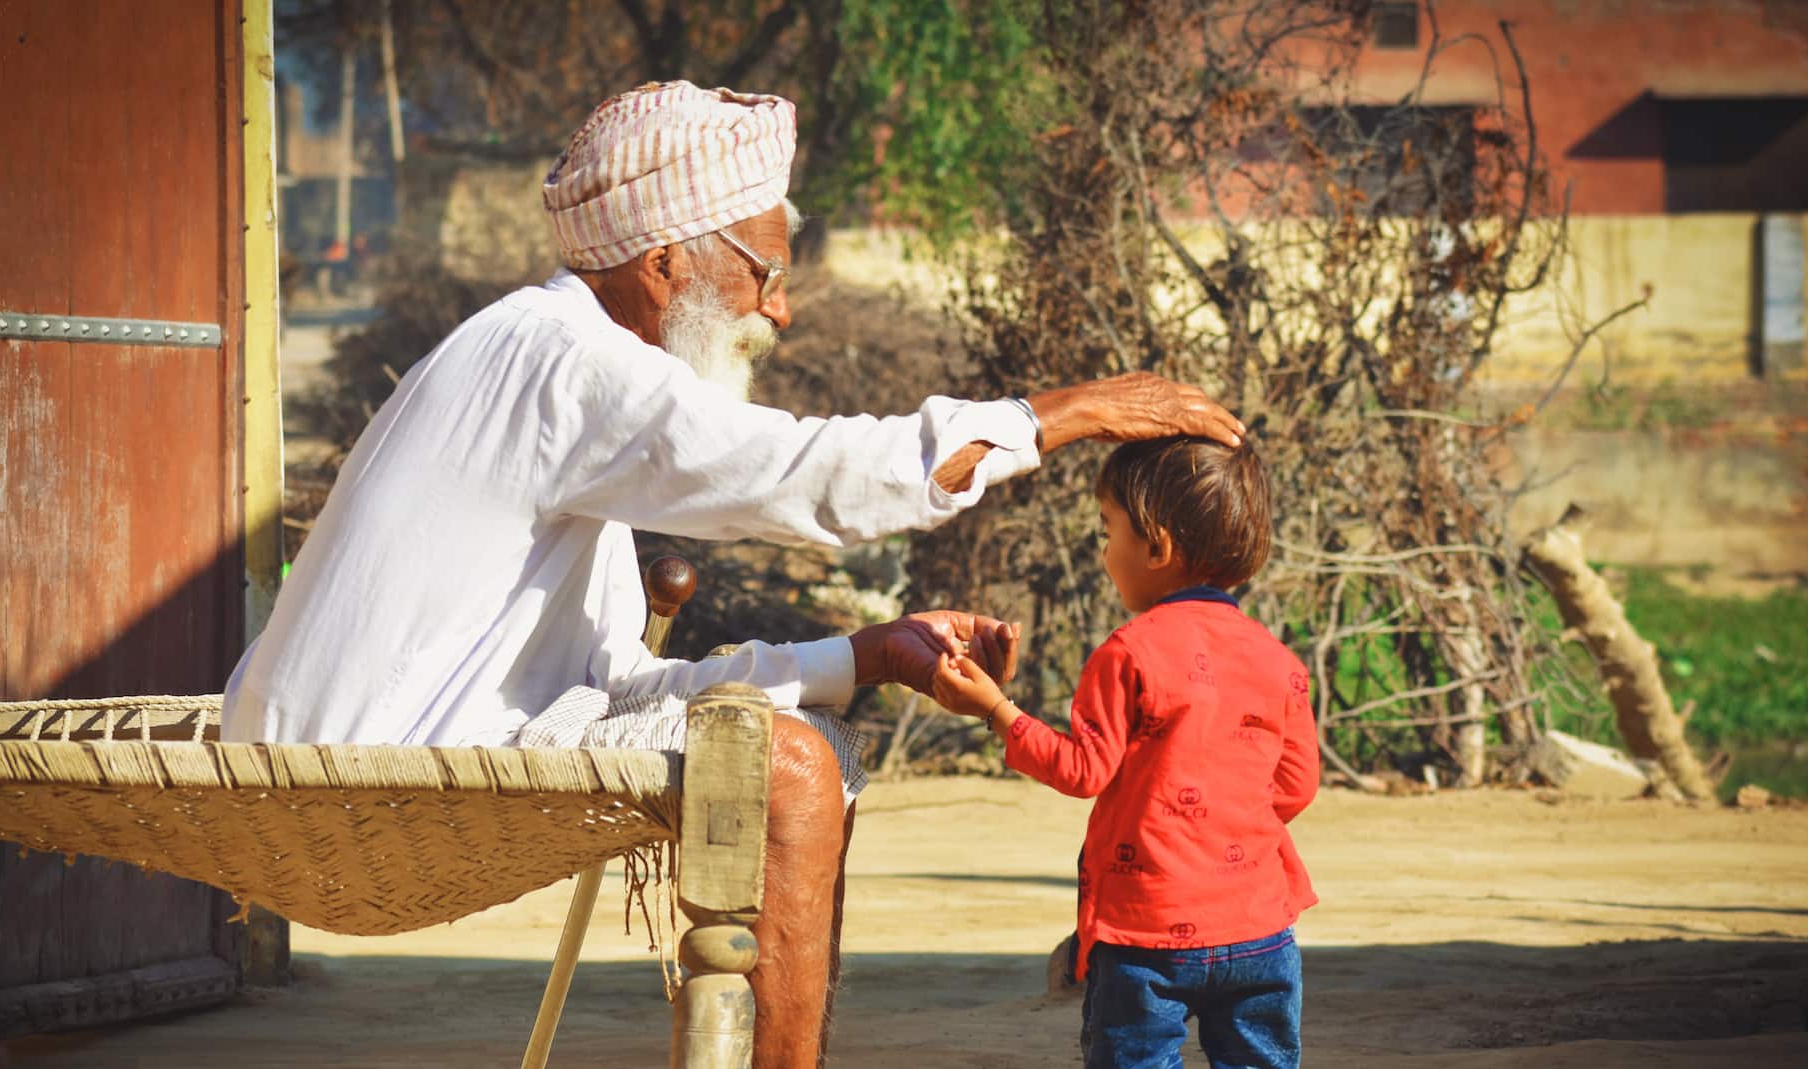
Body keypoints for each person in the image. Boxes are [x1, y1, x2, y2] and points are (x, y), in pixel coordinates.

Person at [226, 81, 1244, 1068]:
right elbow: (803, 476)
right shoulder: (567, 363)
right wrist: (1050, 419)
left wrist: (866, 656)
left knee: (787, 741)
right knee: (788, 772)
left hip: (382, 762)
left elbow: (606, 695)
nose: (780, 310)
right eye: (763, 273)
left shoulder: (534, 357)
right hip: (349, 790)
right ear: (665, 260)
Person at [926, 435, 1319, 1069]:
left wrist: (999, 711)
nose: (1105, 550)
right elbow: (1295, 787)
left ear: (1158, 546)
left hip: (1147, 931)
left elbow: (1084, 771)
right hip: (1260, 929)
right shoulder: (1278, 661)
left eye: (1108, 530)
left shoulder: (1128, 653)